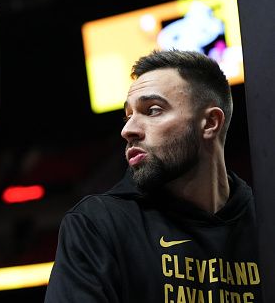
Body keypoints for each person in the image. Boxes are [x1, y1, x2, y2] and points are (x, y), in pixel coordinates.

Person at [44, 50, 262, 302]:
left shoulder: (263, 221)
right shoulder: (97, 224)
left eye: (153, 110)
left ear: (210, 123)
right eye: (128, 115)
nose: (128, 130)